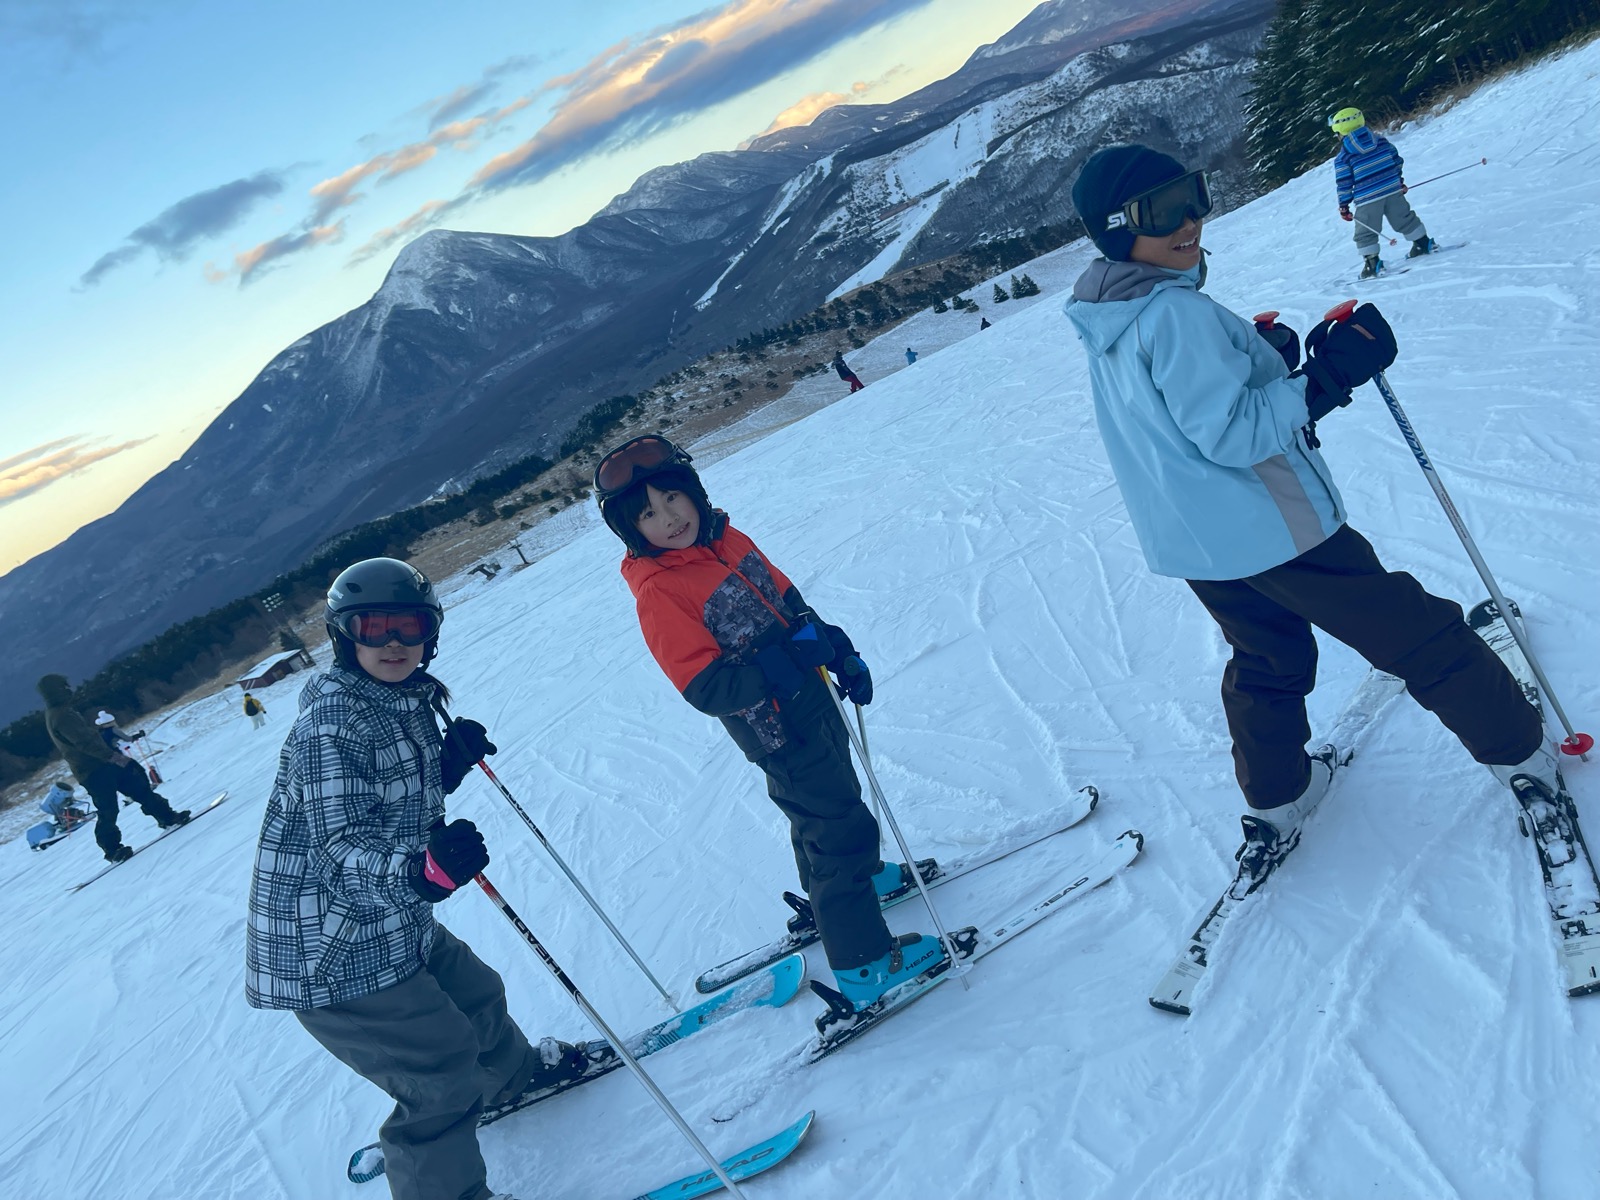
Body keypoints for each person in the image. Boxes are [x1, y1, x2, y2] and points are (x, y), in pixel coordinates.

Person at [1062, 144, 1558, 871]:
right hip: (1274, 530)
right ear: (1116, 229)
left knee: (1266, 657)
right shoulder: (1174, 314)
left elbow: (1176, 417)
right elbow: (1233, 434)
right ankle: (1521, 750)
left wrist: (1257, 360)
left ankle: (1278, 795)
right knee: (1415, 633)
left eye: (1193, 195)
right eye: (1161, 211)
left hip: (1200, 542)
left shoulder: (1111, 314)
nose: (1190, 219)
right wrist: (1323, 378)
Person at [244, 557, 568, 1200]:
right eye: (374, 628)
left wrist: (446, 768)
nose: (393, 643)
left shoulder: (403, 698)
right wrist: (422, 872)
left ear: (430, 632)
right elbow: (338, 846)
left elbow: (383, 801)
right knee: (439, 1074)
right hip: (331, 949)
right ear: (345, 636)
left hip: (388, 917)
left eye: (409, 626)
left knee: (476, 995)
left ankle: (509, 1080)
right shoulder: (331, 725)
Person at [592, 435, 944, 1011]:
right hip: (776, 727)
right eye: (648, 515)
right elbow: (705, 687)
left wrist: (833, 646)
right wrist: (783, 666)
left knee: (830, 803)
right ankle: (865, 963)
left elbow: (787, 600)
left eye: (673, 498)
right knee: (837, 825)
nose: (669, 518)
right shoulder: (660, 591)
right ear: (632, 531)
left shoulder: (726, 538)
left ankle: (857, 886)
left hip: (813, 698)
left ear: (694, 493)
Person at [37, 675, 189, 862]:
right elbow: (84, 743)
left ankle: (167, 817)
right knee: (108, 809)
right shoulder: (61, 715)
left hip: (103, 764)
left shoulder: (61, 711)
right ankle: (112, 849)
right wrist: (113, 756)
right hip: (94, 770)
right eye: (65, 686)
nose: (69, 689)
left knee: (139, 789)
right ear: (56, 690)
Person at [1329, 107, 1434, 279]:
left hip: (1367, 198)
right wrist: (1398, 181)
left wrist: (1344, 205)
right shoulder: (1381, 141)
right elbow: (1396, 160)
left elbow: (1344, 183)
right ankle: (1422, 243)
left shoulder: (1344, 157)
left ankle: (1372, 263)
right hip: (1392, 189)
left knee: (1366, 230)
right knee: (1403, 217)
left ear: (1341, 133)